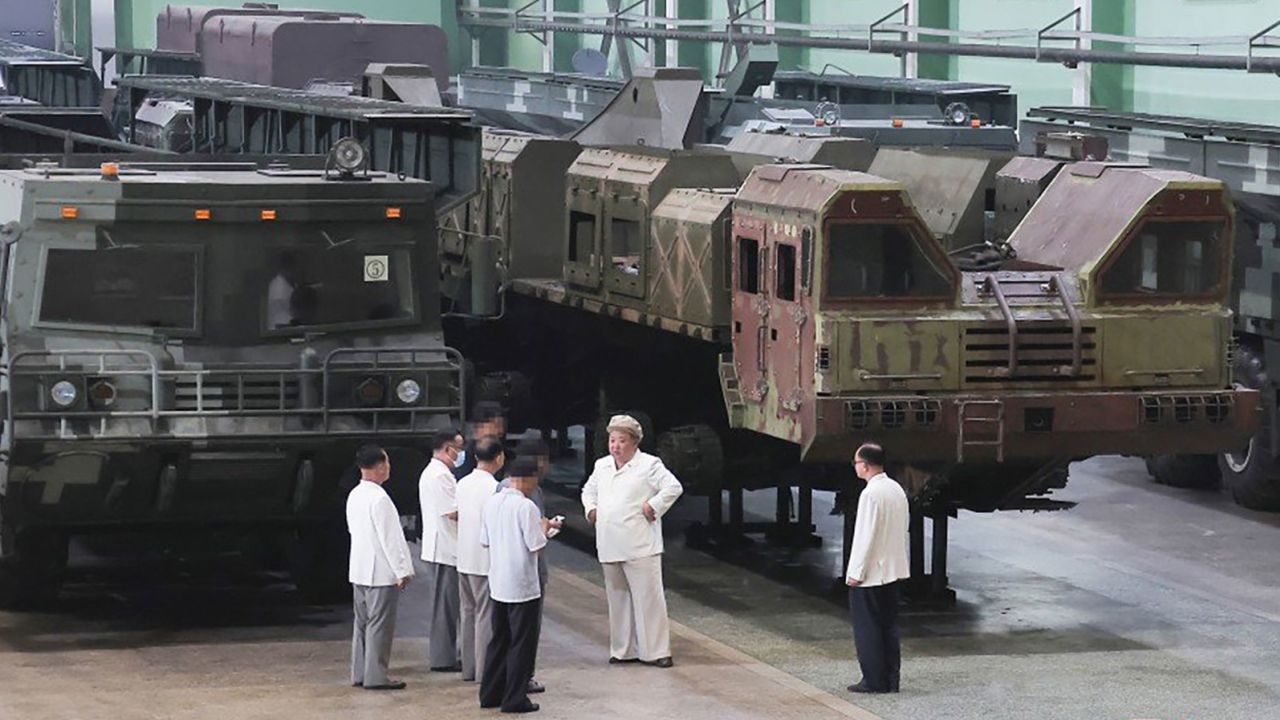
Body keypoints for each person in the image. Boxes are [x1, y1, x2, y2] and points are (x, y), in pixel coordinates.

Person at [581, 414, 683, 668]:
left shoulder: (649, 465)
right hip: (609, 541)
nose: (615, 446)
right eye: (612, 440)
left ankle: (656, 651)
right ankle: (623, 649)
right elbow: (588, 490)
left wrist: (653, 505)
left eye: (621, 441)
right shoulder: (602, 466)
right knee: (618, 599)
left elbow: (673, 487)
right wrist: (591, 509)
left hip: (639, 544)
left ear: (634, 443)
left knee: (648, 598)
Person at [479, 457, 550, 714]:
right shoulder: (526, 507)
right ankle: (515, 699)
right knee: (522, 643)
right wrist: (545, 528)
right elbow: (536, 546)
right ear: (529, 479)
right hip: (522, 584)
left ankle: (490, 693)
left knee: (499, 639)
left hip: (497, 581)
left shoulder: (492, 502)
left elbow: (485, 541)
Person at [346, 444, 415, 691]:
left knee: (362, 623)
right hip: (380, 572)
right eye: (386, 463)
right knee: (380, 626)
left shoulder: (354, 494)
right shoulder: (380, 498)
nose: (389, 468)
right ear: (379, 466)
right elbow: (391, 539)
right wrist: (402, 570)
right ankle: (376, 676)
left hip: (359, 568)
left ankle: (360, 672)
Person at [845, 442, 910, 694]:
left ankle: (873, 680)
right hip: (893, 570)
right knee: (889, 627)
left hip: (872, 573)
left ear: (865, 465)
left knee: (868, 628)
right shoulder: (895, 488)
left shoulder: (870, 494)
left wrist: (855, 573)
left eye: (856, 463)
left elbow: (865, 537)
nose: (855, 467)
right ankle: (891, 679)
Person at [503, 438, 563, 694]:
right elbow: (535, 537)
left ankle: (505, 678)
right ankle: (521, 679)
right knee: (525, 632)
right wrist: (548, 528)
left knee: (505, 631)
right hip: (528, 573)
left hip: (503, 574)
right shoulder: (529, 495)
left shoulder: (500, 493)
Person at [455, 435, 506, 682]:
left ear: (475, 457)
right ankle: (486, 672)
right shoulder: (495, 488)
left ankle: (468, 668)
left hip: (463, 557)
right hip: (485, 561)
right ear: (499, 458)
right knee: (486, 616)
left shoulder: (462, 483)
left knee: (467, 614)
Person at [419, 428, 465, 672]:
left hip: (444, 547)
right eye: (459, 448)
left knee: (448, 606)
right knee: (445, 607)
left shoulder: (436, 473)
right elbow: (452, 511)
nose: (461, 454)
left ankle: (446, 655)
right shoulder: (440, 476)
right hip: (445, 550)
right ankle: (442, 658)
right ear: (449, 449)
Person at [455, 401, 510, 480]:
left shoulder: (506, 455)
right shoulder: (464, 459)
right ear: (478, 428)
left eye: (502, 424)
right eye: (496, 425)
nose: (501, 430)